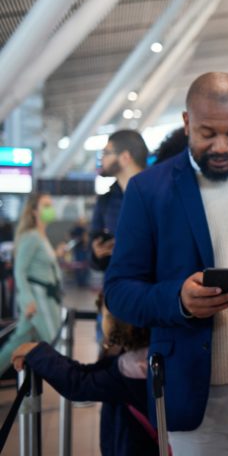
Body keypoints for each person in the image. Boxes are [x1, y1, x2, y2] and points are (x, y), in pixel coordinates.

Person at [104, 72, 228, 454]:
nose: (222, 146)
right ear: (186, 122)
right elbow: (120, 290)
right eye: (207, 133)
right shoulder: (150, 190)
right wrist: (178, 300)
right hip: (197, 397)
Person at [11, 295, 157, 456]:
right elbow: (86, 372)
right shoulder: (141, 356)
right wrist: (38, 354)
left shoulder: (131, 369)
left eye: (104, 316)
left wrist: (37, 352)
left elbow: (78, 383)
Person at [0, 193, 62, 375]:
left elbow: (41, 265)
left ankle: (27, 403)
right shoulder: (32, 236)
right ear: (34, 211)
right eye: (45, 205)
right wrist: (28, 300)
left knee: (23, 345)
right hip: (38, 301)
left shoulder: (41, 236)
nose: (50, 209)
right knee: (53, 342)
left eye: (51, 204)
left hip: (46, 299)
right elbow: (20, 270)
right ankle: (72, 390)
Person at [90, 129, 148, 271]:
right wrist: (97, 253)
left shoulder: (158, 195)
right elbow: (92, 253)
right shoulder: (106, 200)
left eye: (106, 153)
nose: (102, 159)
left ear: (125, 157)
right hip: (117, 283)